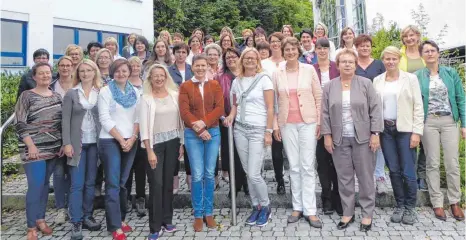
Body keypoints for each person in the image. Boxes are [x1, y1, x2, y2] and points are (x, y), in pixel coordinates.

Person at [320, 49, 383, 232]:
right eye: (343, 62)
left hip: (363, 138)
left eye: (350, 62)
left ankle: (367, 214)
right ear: (337, 65)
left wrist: (375, 133)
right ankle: (347, 212)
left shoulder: (365, 84)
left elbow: (375, 110)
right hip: (339, 139)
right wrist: (327, 135)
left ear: (355, 65)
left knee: (365, 178)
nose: (347, 64)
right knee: (344, 178)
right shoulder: (330, 86)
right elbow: (324, 113)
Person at [272, 37, 322, 227]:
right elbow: (275, 101)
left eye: (294, 49)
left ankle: (311, 210)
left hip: (308, 122)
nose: (291, 52)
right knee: (293, 165)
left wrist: (319, 122)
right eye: (287, 49)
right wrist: (276, 125)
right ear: (283, 52)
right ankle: (297, 207)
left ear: (298, 51)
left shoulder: (309, 70)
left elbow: (318, 96)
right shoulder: (278, 72)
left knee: (308, 166)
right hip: (287, 123)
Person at [373, 46, 424, 225]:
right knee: (393, 170)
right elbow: (375, 108)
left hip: (405, 130)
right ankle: (400, 205)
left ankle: (410, 208)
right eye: (387, 59)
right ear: (383, 60)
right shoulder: (377, 80)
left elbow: (418, 105)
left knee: (408, 171)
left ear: (399, 59)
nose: (391, 62)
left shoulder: (410, 79)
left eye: (394, 58)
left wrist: (417, 132)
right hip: (386, 130)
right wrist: (375, 132)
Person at [415, 40, 465, 222]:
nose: (429, 53)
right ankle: (437, 202)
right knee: (433, 162)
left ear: (438, 53)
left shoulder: (450, 73)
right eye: (426, 51)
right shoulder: (417, 76)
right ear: (422, 55)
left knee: (452, 163)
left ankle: (454, 202)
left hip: (449, 121)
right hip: (429, 122)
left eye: (432, 50)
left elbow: (461, 98)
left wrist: (464, 124)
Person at [223, 48, 273, 227]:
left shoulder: (264, 79)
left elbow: (270, 107)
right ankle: (255, 205)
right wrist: (230, 116)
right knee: (247, 172)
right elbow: (236, 104)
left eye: (253, 58)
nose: (250, 60)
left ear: (257, 60)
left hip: (258, 129)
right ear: (242, 61)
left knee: (254, 173)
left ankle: (266, 206)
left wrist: (269, 131)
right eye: (247, 58)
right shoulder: (237, 81)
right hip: (240, 130)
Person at [15, 62, 63, 240]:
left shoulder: (57, 96)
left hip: (53, 148)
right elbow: (19, 123)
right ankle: (30, 227)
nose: (45, 76)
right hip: (33, 148)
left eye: (48, 73)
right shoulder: (27, 96)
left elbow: (61, 123)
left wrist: (61, 145)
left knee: (44, 186)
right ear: (34, 77)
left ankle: (41, 219)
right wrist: (30, 145)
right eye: (41, 73)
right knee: (35, 186)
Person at [178, 54, 224, 232]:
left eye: (203, 66)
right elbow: (184, 111)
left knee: (209, 173)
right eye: (197, 66)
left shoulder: (214, 84)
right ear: (192, 67)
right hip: (192, 134)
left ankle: (209, 213)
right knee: (197, 175)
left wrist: (204, 124)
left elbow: (219, 107)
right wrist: (199, 129)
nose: (200, 68)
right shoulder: (186, 86)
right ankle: (198, 214)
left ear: (208, 67)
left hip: (212, 132)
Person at [140, 64, 185, 239]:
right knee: (156, 184)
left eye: (162, 75)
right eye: (155, 76)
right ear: (150, 78)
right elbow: (144, 126)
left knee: (168, 184)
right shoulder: (146, 98)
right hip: (154, 146)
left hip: (173, 142)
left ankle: (167, 220)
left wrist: (181, 143)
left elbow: (179, 122)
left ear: (166, 77)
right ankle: (154, 226)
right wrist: (149, 150)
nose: (159, 79)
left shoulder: (175, 95)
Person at [98, 59, 140, 239]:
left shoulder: (135, 92)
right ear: (112, 73)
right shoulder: (105, 91)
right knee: (113, 184)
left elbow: (139, 117)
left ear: (129, 72)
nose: (121, 74)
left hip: (131, 140)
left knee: (123, 183)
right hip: (110, 140)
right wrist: (121, 140)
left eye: (124, 71)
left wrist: (133, 138)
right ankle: (114, 226)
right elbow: (104, 118)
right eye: (117, 71)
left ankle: (121, 219)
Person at [62, 59, 103, 239]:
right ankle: (76, 220)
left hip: (95, 142)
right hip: (77, 144)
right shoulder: (71, 93)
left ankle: (88, 215)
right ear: (78, 74)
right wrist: (67, 143)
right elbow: (64, 120)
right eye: (82, 71)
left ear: (95, 73)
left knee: (90, 183)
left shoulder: (100, 92)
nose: (85, 74)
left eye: (89, 70)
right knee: (77, 184)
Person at [313, 38, 342, 216]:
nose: (322, 51)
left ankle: (338, 197)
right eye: (319, 48)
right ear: (315, 50)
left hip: (337, 119)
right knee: (322, 162)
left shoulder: (336, 67)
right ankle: (326, 198)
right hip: (317, 120)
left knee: (338, 162)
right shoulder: (310, 69)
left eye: (325, 48)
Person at [354, 34, 387, 194]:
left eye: (367, 45)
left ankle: (380, 177)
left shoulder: (379, 64)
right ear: (356, 47)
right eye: (361, 45)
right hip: (357, 111)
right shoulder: (353, 65)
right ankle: (363, 180)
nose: (364, 48)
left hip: (377, 108)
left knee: (377, 143)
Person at [216, 47, 249, 197]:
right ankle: (235, 185)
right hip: (227, 122)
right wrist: (224, 117)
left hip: (246, 120)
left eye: (233, 56)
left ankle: (247, 183)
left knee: (246, 153)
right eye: (227, 58)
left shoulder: (247, 75)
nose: (230, 59)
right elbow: (218, 100)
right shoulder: (221, 77)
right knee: (232, 155)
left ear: (239, 57)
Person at [399, 25, 427, 190]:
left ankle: (421, 176)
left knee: (424, 141)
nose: (409, 39)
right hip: (407, 103)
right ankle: (409, 174)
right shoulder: (400, 55)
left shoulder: (425, 53)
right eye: (406, 36)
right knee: (410, 140)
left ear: (417, 36)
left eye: (412, 35)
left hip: (426, 100)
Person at [261, 32, 286, 195]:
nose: (276, 44)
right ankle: (280, 180)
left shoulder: (289, 61)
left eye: (279, 41)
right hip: (269, 109)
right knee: (276, 150)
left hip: (287, 109)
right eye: (273, 42)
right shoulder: (263, 63)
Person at [124, 56, 148, 216]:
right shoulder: (122, 85)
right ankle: (125, 198)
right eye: (131, 65)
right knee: (127, 167)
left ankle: (140, 198)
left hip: (143, 130)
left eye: (137, 65)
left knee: (141, 167)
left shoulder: (146, 85)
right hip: (126, 130)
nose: (134, 67)